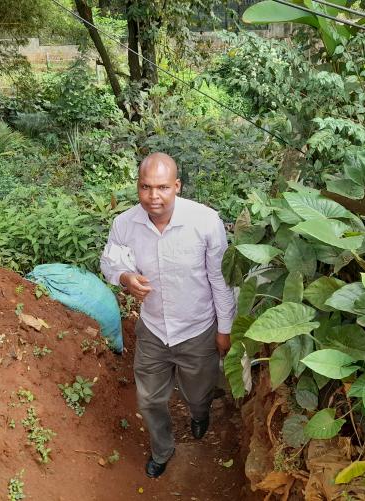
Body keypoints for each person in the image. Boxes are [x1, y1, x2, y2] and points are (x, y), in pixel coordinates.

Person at [100, 152, 236, 479]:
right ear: (138, 187)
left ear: (177, 185)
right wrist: (125, 278)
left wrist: (224, 329)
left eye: (162, 187)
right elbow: (110, 262)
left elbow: (220, 278)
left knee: (199, 391)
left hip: (198, 328)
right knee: (149, 400)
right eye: (146, 187)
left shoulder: (205, 222)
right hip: (153, 330)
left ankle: (199, 415)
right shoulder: (125, 224)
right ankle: (163, 449)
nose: (153, 197)